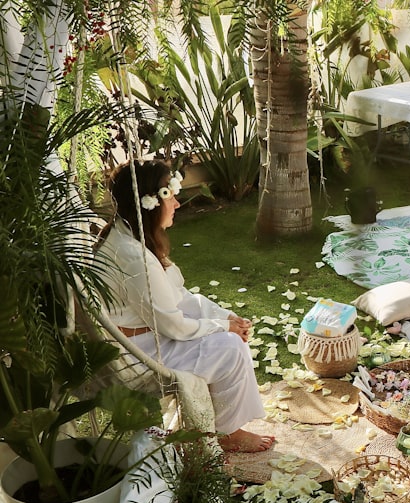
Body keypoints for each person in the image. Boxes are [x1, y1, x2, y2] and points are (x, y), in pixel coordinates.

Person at [95, 160, 275, 453]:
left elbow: (176, 296)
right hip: (139, 351)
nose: (177, 203)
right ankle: (228, 432)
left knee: (228, 336)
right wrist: (223, 327)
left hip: (144, 334)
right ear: (151, 203)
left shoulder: (127, 235)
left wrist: (222, 315)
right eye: (171, 196)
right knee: (231, 347)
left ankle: (221, 425)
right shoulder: (134, 257)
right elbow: (173, 324)